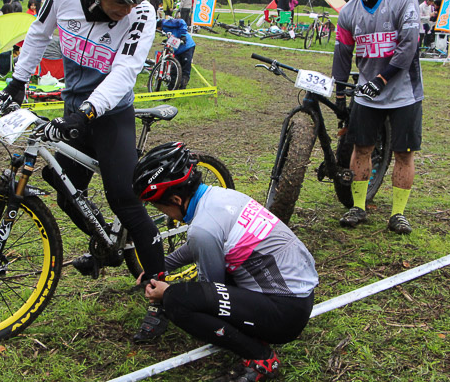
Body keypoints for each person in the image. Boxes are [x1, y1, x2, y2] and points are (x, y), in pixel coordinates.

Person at [0, 0, 166, 342]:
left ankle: (163, 297)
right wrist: (18, 80)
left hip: (112, 114)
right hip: (75, 106)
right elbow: (38, 34)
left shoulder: (141, 13)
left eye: (134, 1)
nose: (127, 9)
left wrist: (89, 111)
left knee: (124, 199)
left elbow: (125, 72)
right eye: (120, 1)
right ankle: (105, 243)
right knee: (59, 182)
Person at [132, 142, 318, 381]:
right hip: (298, 296)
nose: (161, 213)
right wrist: (163, 265)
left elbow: (209, 291)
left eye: (159, 207)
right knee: (205, 279)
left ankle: (260, 357)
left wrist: (166, 294)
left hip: (285, 315)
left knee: (178, 301)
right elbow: (205, 243)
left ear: (176, 199)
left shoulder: (202, 228)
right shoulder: (220, 197)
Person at [331, 0, 423, 235]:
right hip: (366, 93)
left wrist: (381, 81)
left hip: (404, 92)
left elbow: (408, 47)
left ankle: (398, 213)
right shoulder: (348, 12)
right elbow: (343, 53)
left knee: (403, 152)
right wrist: (341, 95)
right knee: (361, 149)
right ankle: (358, 207)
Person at [156, 17, 195, 89]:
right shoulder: (164, 29)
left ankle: (182, 88)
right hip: (177, 49)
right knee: (174, 69)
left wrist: (183, 35)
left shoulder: (165, 23)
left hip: (187, 46)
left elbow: (182, 21)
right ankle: (171, 89)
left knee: (185, 68)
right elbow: (173, 33)